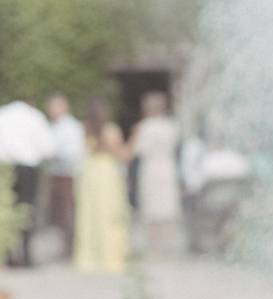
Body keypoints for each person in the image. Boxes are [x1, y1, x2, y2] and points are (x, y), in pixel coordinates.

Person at [0, 99, 55, 267]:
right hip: (27, 169)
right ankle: (25, 255)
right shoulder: (34, 117)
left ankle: (7, 254)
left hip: (2, 168)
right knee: (26, 211)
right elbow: (48, 148)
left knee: (5, 210)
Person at [73, 99, 129, 273]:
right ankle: (110, 257)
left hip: (90, 173)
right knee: (110, 214)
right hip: (106, 173)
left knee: (90, 215)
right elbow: (122, 155)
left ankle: (89, 258)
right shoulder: (111, 131)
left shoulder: (85, 129)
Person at [129, 91, 182, 257]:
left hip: (151, 168)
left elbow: (138, 150)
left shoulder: (145, 127)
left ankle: (154, 247)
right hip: (167, 168)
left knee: (152, 208)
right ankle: (168, 246)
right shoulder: (171, 126)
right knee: (167, 207)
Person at [45, 94, 85, 260]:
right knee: (60, 214)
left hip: (67, 174)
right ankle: (65, 248)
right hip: (58, 173)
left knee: (68, 212)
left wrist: (53, 154)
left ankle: (71, 249)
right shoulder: (56, 126)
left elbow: (73, 153)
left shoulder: (70, 127)